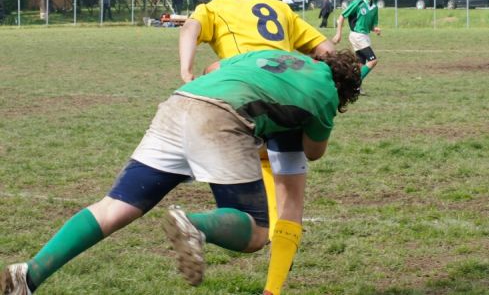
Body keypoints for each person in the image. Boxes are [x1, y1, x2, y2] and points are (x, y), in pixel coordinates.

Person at [0, 49, 361, 295]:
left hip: (180, 102)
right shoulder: (328, 92)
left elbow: (212, 69)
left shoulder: (275, 55)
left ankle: (28, 275)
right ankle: (196, 226)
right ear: (343, 90)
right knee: (256, 232)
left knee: (115, 206)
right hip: (223, 118)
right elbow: (313, 152)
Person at [178, 0, 335, 244]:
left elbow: (189, 29)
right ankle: (276, 278)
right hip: (288, 98)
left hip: (244, 97)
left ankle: (201, 185)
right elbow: (327, 50)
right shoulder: (281, 8)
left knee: (211, 78)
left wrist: (186, 70)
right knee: (291, 197)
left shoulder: (215, 6)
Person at [332, 0, 381, 86]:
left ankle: (345, 83)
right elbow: (341, 17)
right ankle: (355, 84)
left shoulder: (374, 7)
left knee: (360, 64)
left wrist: (375, 29)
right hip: (357, 36)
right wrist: (338, 34)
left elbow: (371, 26)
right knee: (373, 60)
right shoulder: (357, 2)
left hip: (365, 36)